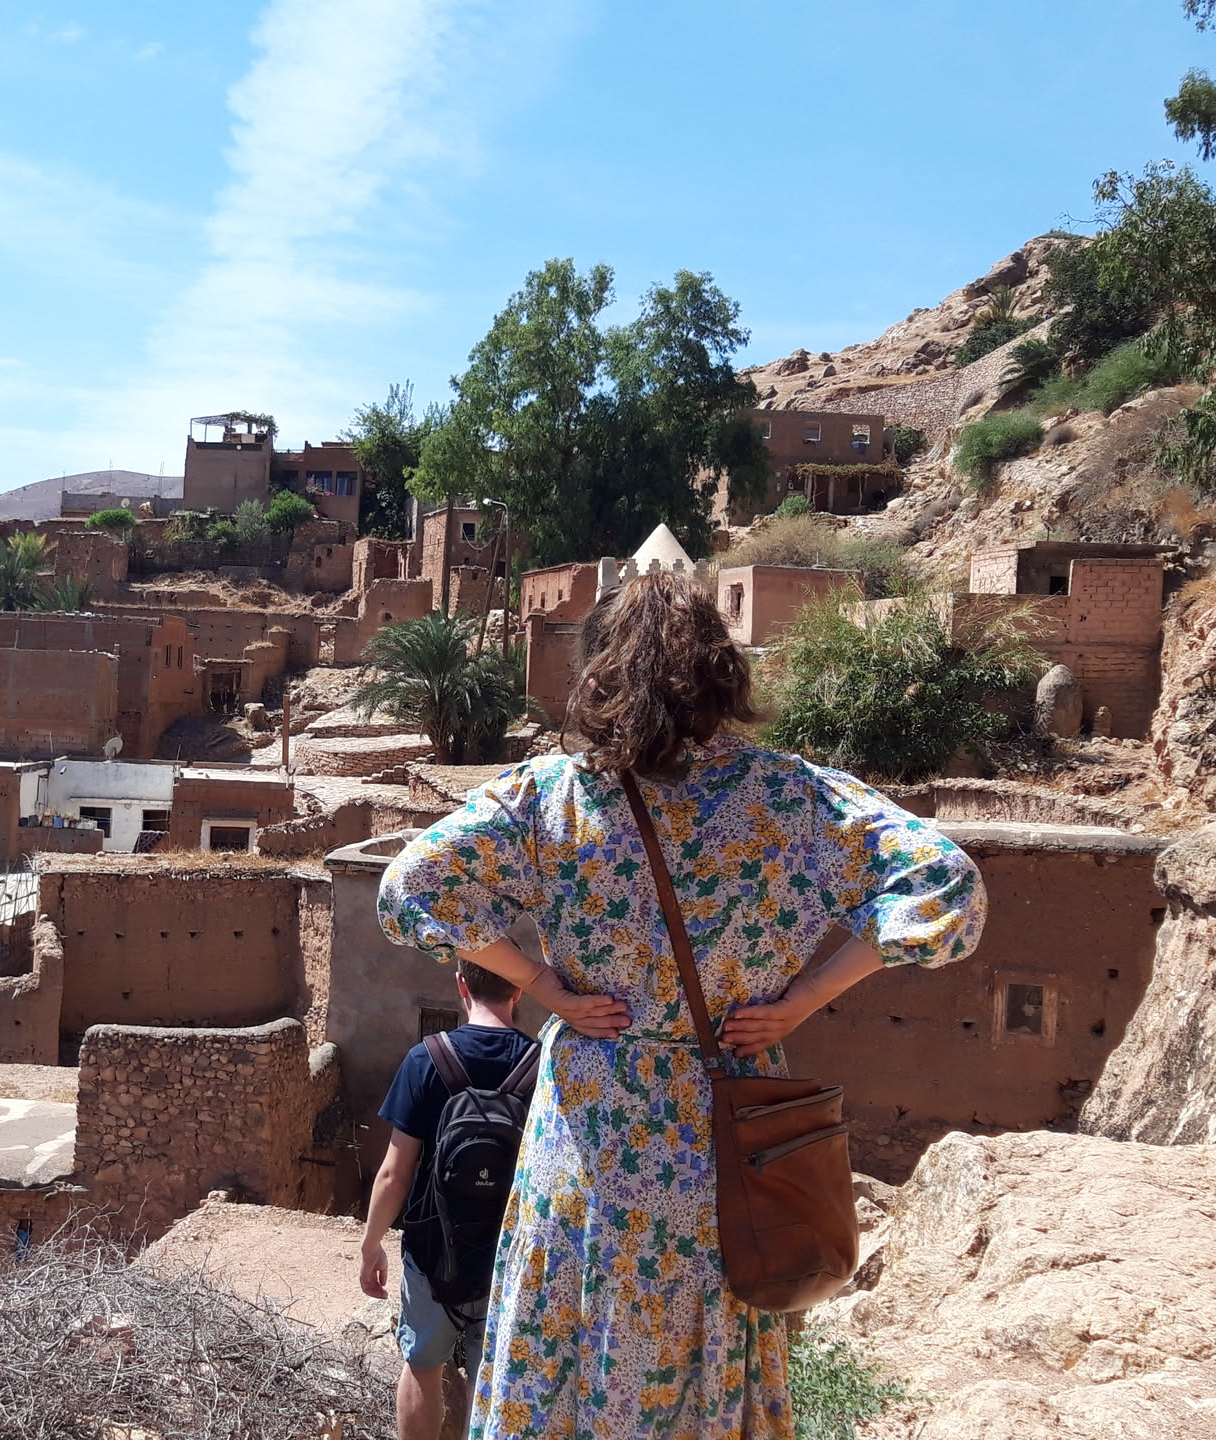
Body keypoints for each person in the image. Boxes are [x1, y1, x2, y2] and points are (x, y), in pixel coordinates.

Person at [376, 571, 987, 1440]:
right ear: (720, 672)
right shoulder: (792, 797)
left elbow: (410, 890)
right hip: (727, 1130)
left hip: (593, 1128)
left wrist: (545, 986)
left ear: (599, 675)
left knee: (573, 1332)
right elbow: (949, 887)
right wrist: (805, 997)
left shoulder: (552, 797)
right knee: (703, 1337)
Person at [357, 959, 536, 1440]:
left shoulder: (426, 1058)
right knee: (491, 1375)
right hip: (509, 1255)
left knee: (422, 1364)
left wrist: (371, 1244)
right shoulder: (542, 1064)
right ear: (518, 990)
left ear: (461, 984)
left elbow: (394, 1173)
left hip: (433, 1250)